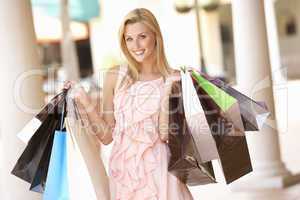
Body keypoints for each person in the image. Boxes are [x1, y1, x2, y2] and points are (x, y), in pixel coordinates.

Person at [64, 8, 193, 200]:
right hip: (123, 174)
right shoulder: (115, 76)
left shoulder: (172, 78)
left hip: (159, 170)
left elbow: (165, 134)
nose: (136, 45)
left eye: (142, 36)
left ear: (155, 36)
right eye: (129, 39)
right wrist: (84, 99)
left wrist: (167, 90)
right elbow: (107, 137)